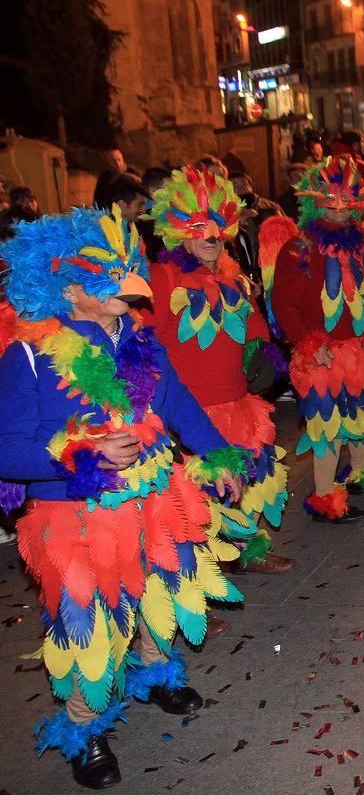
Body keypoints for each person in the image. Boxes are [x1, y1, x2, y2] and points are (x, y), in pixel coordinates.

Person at [0, 208, 245, 788]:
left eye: (128, 267)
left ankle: (157, 673)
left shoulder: (137, 338)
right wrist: (76, 452)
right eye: (107, 273)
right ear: (66, 287)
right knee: (87, 620)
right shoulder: (29, 354)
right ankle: (83, 728)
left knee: (165, 586)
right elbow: (7, 448)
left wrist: (216, 455)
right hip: (74, 513)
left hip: (156, 498)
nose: (128, 282)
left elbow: (178, 401)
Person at [144, 165, 296, 580]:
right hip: (190, 410)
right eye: (198, 226)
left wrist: (265, 356)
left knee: (250, 479)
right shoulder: (161, 278)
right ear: (177, 231)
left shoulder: (231, 278)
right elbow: (140, 341)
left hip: (237, 402)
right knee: (193, 502)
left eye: (216, 225)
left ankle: (250, 550)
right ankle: (199, 587)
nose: (211, 235)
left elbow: (254, 334)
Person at [262, 156, 364, 522]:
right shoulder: (298, 248)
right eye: (330, 197)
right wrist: (307, 342)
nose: (339, 206)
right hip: (320, 351)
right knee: (329, 428)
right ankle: (325, 499)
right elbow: (283, 303)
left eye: (347, 197)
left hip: (361, 348)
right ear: (314, 199)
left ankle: (359, 475)